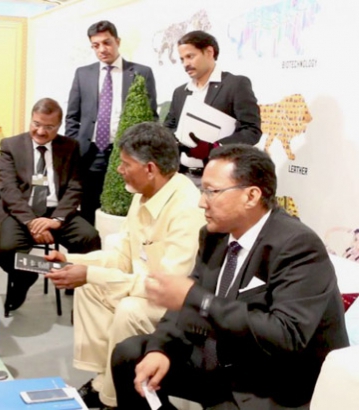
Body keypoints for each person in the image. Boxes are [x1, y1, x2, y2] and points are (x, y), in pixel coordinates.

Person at [111, 145, 349, 409]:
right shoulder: (214, 235)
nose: (202, 202)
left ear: (251, 196)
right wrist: (162, 348)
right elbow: (184, 303)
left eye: (212, 192)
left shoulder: (297, 245)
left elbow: (286, 335)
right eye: (202, 190)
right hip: (222, 359)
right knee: (131, 355)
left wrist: (200, 300)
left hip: (273, 379)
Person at [45, 122, 205, 409]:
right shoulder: (144, 194)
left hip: (174, 304)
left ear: (150, 169)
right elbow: (122, 258)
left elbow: (164, 287)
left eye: (125, 163)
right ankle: (102, 379)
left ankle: (114, 399)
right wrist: (71, 261)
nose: (119, 169)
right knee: (90, 288)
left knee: (129, 309)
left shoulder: (187, 209)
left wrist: (91, 273)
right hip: (144, 286)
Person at [0, 98, 101, 314]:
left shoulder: (70, 147)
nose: (41, 132)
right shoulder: (11, 145)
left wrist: (55, 220)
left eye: (49, 127)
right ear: (31, 119)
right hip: (22, 213)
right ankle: (25, 278)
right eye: (36, 124)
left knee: (89, 238)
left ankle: (81, 296)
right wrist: (32, 222)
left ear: (59, 126)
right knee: (7, 249)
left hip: (57, 212)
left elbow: (75, 187)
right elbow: (9, 190)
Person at [66, 21, 158, 225]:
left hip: (126, 152)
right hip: (91, 152)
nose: (102, 49)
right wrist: (75, 146)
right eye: (95, 45)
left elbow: (150, 116)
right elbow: (72, 116)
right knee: (89, 207)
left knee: (125, 209)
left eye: (107, 43)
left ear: (118, 41)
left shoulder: (141, 73)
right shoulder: (83, 74)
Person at [164, 31, 261, 183]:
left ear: (209, 52)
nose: (185, 64)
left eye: (190, 56)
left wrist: (216, 148)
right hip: (182, 177)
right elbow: (169, 127)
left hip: (222, 179)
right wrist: (177, 143)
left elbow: (251, 130)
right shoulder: (180, 92)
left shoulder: (235, 85)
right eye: (182, 59)